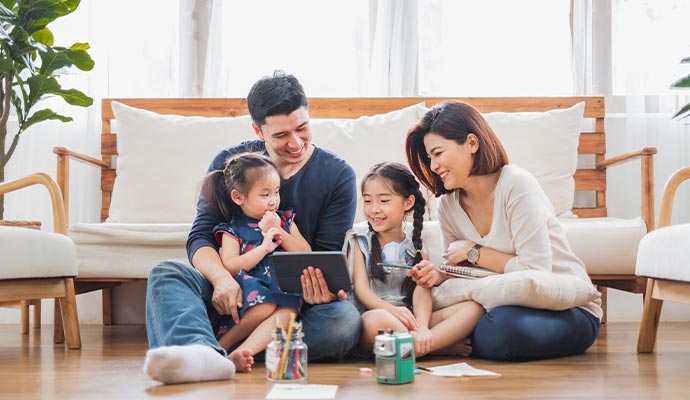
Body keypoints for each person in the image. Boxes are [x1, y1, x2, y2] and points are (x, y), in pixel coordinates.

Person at [143, 71, 361, 384]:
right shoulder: (231, 163)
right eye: (281, 135)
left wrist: (318, 290)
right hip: (232, 295)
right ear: (258, 129)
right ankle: (206, 352)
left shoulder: (337, 174)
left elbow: (324, 256)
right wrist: (221, 279)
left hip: (291, 304)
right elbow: (201, 236)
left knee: (343, 321)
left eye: (302, 128)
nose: (296, 142)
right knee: (167, 274)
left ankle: (208, 351)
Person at [404, 100, 602, 361]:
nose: (432, 166)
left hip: (566, 309)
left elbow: (535, 273)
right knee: (486, 322)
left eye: (438, 153)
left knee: (499, 331)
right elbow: (460, 274)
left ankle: (441, 338)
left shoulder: (516, 185)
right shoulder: (447, 206)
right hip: (496, 305)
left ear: (472, 143)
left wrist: (474, 252)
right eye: (429, 158)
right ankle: (442, 338)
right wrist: (440, 275)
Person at [349, 162, 484, 358]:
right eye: (368, 201)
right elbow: (361, 290)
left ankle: (420, 343)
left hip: (409, 318)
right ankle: (435, 347)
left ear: (408, 202)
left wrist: (421, 327)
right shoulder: (359, 238)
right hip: (377, 317)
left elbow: (423, 289)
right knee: (376, 321)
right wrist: (393, 312)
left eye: (384, 201)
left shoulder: (416, 239)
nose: (374, 209)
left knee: (473, 308)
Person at [200, 152, 308, 372]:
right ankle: (222, 345)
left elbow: (305, 252)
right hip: (253, 287)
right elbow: (230, 266)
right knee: (264, 306)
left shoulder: (285, 220)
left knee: (288, 314)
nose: (273, 200)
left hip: (284, 289)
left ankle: (241, 353)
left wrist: (277, 230)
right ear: (238, 197)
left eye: (276, 192)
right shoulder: (233, 230)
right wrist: (264, 248)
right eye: (265, 194)